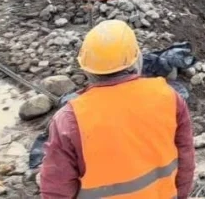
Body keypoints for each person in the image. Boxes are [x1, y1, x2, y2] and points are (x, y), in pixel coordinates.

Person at [40, 20, 196, 199]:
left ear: (87, 70)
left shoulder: (69, 119)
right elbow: (185, 160)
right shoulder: (168, 97)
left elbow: (56, 189)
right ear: (137, 59)